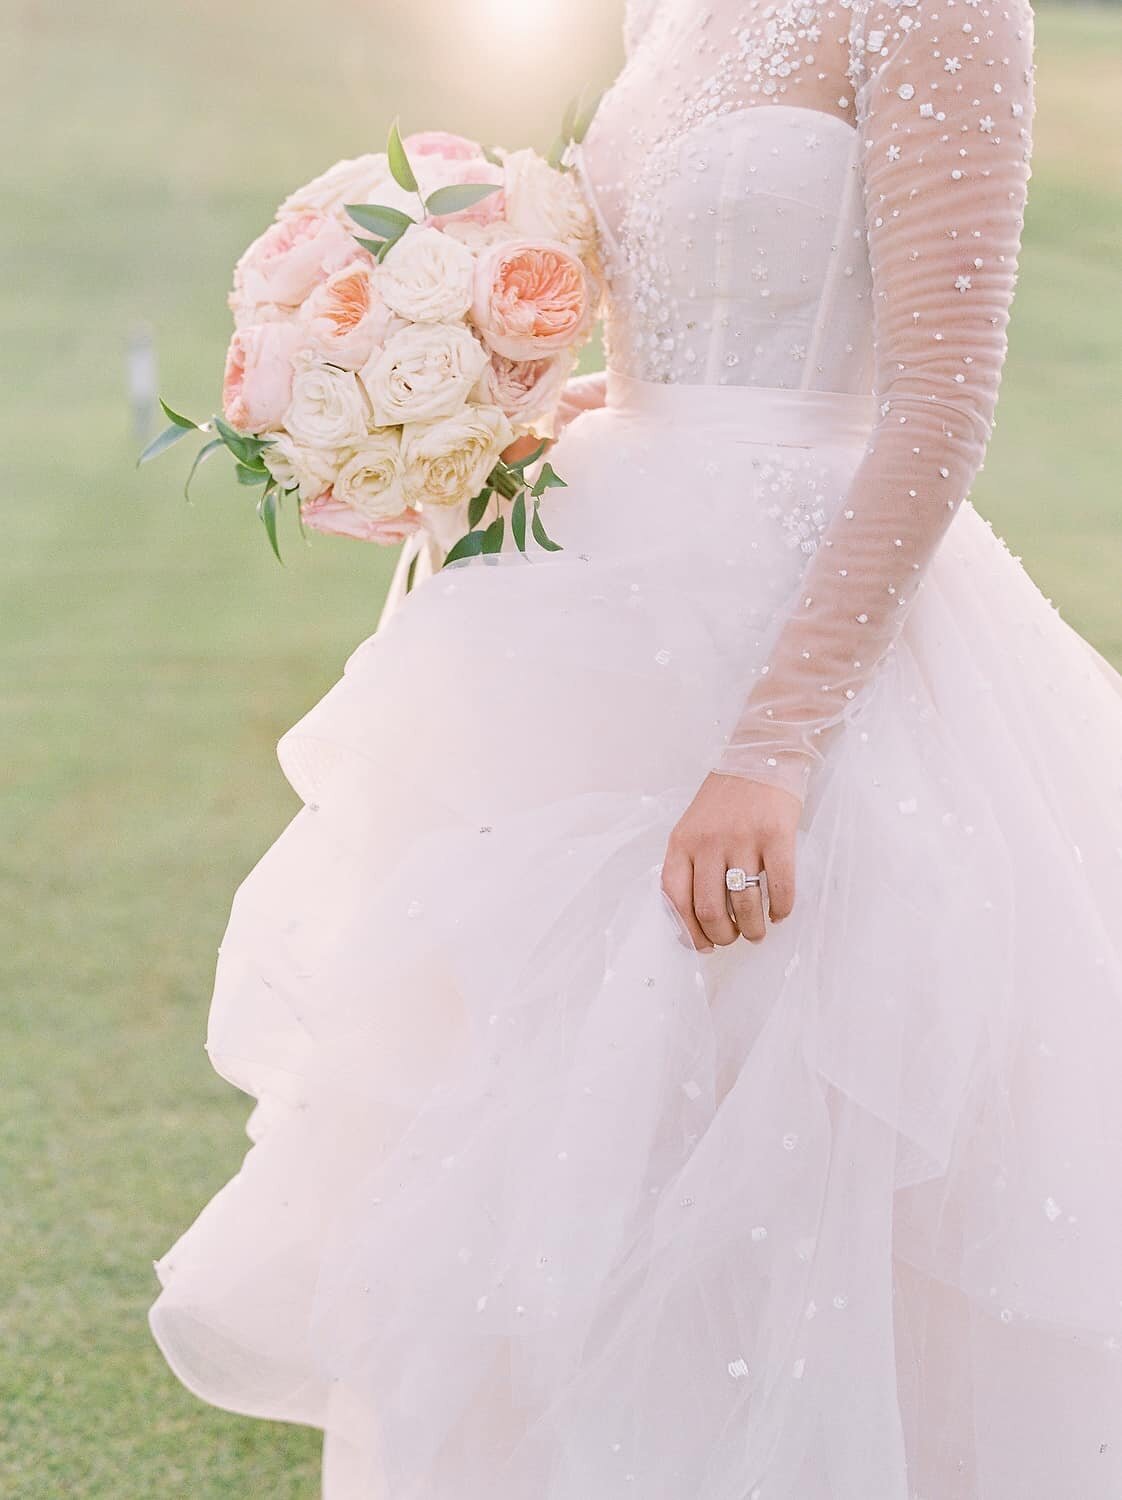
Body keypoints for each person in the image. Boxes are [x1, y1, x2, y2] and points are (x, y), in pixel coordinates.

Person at [150, 0, 1122, 1495]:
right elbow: (682, 321)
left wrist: (774, 744)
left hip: (797, 638)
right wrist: (513, 405)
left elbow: (936, 396)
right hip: (594, 604)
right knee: (549, 1169)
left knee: (790, 1164)